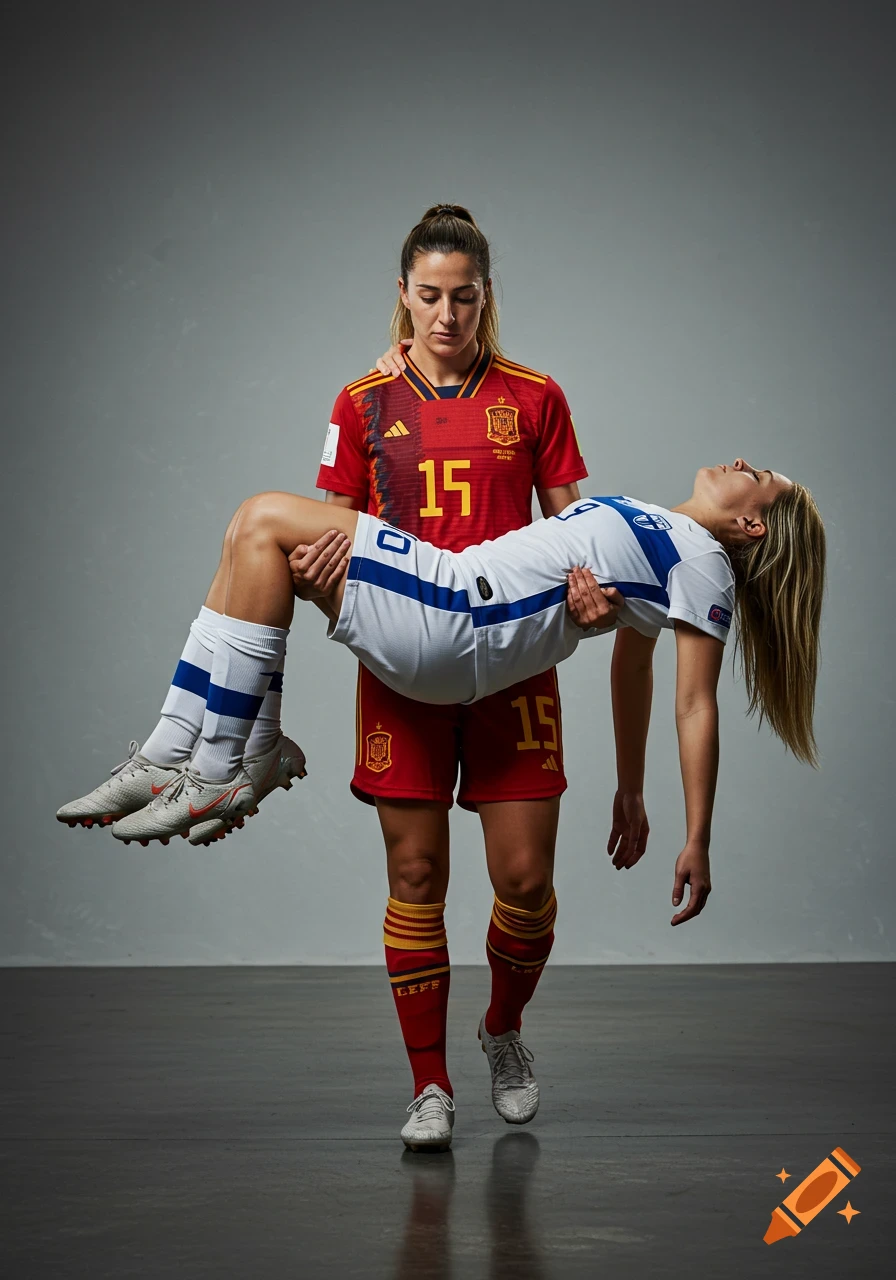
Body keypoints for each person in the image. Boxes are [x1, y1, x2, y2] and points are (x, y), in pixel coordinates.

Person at [58, 460, 826, 1152]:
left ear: (751, 523)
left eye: (760, 475)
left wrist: (698, 836)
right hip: (453, 601)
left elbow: (695, 705)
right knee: (249, 533)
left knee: (262, 516)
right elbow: (633, 665)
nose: (741, 462)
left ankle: (225, 761)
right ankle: (178, 750)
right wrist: (630, 788)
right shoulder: (665, 529)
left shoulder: (705, 565)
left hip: (458, 618)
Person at [292, 204, 604, 1150]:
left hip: (514, 662)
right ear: (402, 294)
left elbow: (576, 530)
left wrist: (590, 589)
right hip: (405, 666)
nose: (445, 314)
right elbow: (329, 532)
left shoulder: (536, 396)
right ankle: (429, 1085)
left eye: (462, 297)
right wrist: (318, 578)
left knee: (526, 879)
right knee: (416, 872)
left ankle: (502, 1029)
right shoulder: (360, 402)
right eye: (428, 295)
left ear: (485, 297)